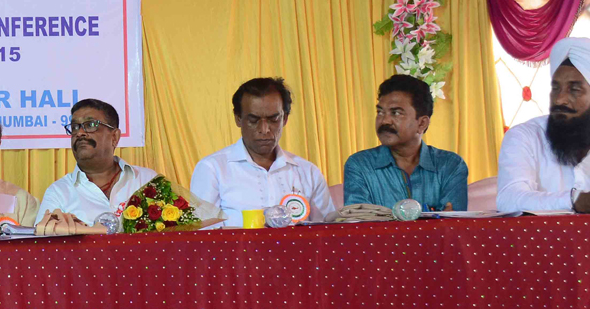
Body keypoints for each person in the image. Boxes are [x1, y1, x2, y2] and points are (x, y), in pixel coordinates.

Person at [38, 99, 223, 224]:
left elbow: (179, 234)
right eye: (75, 126)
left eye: (90, 124)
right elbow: (45, 250)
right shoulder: (58, 193)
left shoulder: (147, 181)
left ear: (114, 137)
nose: (80, 132)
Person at [190, 78, 335, 226]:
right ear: (238, 118)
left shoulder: (308, 172)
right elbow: (203, 238)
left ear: (284, 119)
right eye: (253, 120)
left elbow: (328, 231)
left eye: (273, 119)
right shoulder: (212, 169)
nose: (264, 129)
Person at [343, 75, 468, 211]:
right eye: (380, 112)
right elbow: (360, 226)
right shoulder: (360, 165)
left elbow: (453, 226)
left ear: (422, 123)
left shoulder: (450, 165)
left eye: (396, 113)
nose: (385, 121)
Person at [499, 37, 590, 213]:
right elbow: (508, 200)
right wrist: (574, 200)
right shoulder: (525, 136)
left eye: (575, 89)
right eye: (556, 88)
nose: (560, 99)